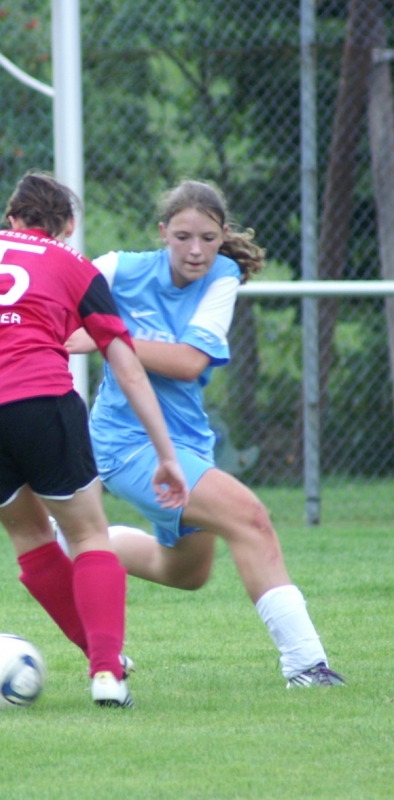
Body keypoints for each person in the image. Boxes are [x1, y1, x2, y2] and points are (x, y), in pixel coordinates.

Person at [0, 171, 189, 708]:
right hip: (37, 397)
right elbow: (125, 364)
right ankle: (107, 673)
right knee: (87, 535)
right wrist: (166, 454)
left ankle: (99, 656)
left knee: (32, 542)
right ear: (68, 226)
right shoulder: (74, 265)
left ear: (11, 218)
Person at [61, 179, 345, 688]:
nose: (196, 250)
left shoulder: (223, 276)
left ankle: (82, 544)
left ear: (223, 236)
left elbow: (189, 363)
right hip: (125, 443)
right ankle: (307, 667)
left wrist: (108, 336)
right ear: (162, 232)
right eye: (184, 237)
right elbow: (55, 308)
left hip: (188, 444)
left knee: (186, 573)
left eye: (209, 238)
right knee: (251, 519)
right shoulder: (117, 269)